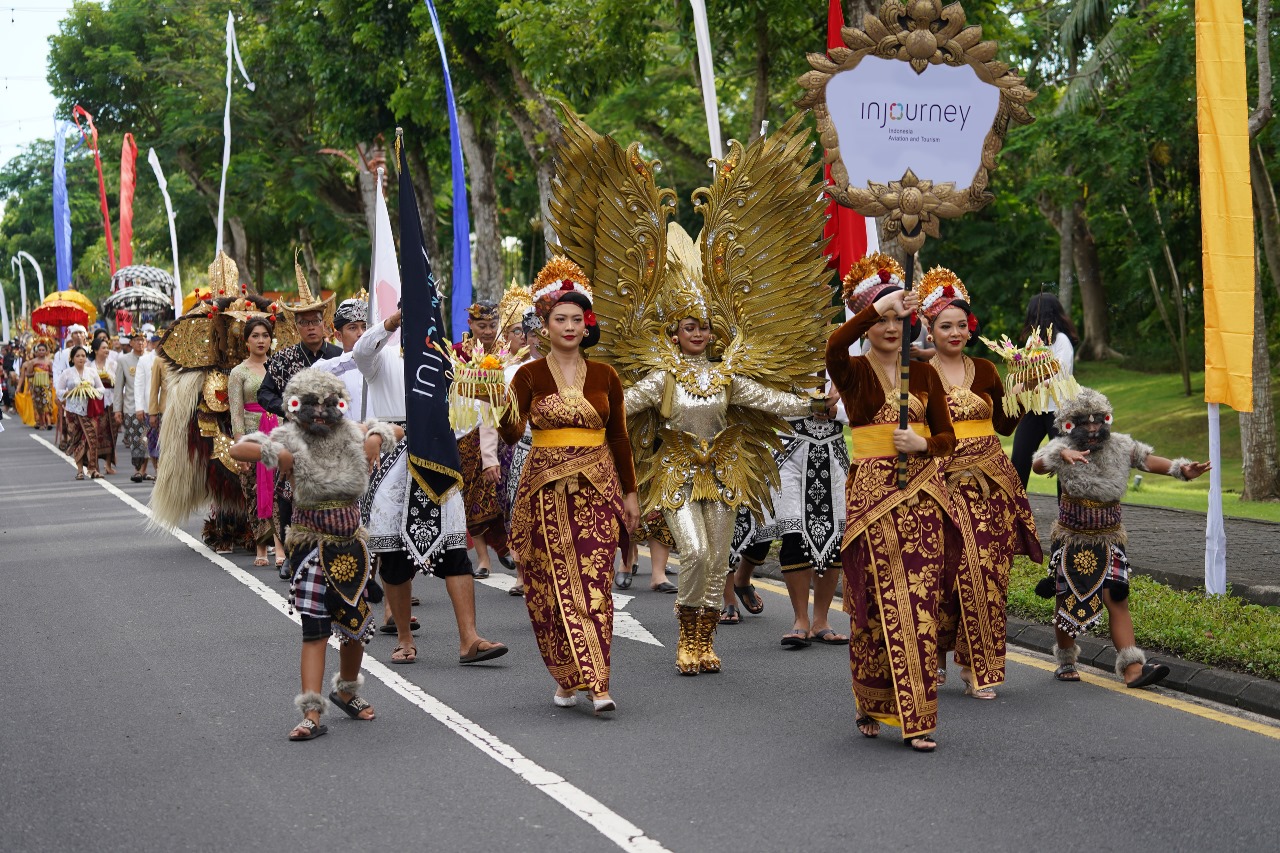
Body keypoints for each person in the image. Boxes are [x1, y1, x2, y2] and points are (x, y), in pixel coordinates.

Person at [622, 255, 817, 675]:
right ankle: (686, 635)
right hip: (677, 475)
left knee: (718, 559)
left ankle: (704, 641)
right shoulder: (663, 378)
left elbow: (773, 400)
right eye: (689, 327)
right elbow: (621, 406)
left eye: (704, 327)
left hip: (724, 476)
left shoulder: (725, 378)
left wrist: (817, 404)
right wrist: (579, 409)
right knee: (693, 551)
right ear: (673, 334)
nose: (698, 334)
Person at [826, 255, 958, 752]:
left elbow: (947, 437)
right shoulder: (853, 370)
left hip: (923, 498)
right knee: (873, 607)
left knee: (919, 604)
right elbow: (833, 344)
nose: (888, 328)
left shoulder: (922, 377)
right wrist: (874, 305)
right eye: (880, 320)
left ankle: (919, 717)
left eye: (896, 320)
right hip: (872, 500)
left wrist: (925, 447)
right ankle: (870, 697)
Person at [497, 262, 639, 713]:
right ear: (544, 323)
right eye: (561, 319)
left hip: (597, 488)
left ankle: (598, 683)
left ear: (587, 323)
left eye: (578, 319)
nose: (570, 327)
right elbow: (510, 433)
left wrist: (630, 493)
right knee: (550, 588)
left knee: (595, 583)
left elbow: (618, 436)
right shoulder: (527, 376)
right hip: (545, 493)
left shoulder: (606, 376)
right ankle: (565, 673)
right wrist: (493, 402)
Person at [231, 369, 399, 741]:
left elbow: (396, 431)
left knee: (355, 629)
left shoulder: (350, 432)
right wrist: (280, 454)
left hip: (353, 547)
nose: (320, 412)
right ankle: (311, 712)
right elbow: (237, 448)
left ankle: (346, 691)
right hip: (310, 549)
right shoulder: (288, 435)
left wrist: (374, 437)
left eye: (327, 404)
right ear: (295, 405)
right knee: (315, 630)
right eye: (311, 404)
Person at [353, 306, 508, 666]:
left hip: (437, 459)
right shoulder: (382, 357)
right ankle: (404, 639)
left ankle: (469, 639)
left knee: (455, 551)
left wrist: (438, 435)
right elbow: (361, 351)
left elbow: (467, 413)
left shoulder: (446, 363)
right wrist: (391, 323)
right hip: (390, 460)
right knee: (391, 553)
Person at [917, 267, 1042, 698]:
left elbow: (1006, 425)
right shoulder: (917, 374)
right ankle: (933, 656)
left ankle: (978, 667)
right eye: (944, 325)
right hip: (941, 485)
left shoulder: (987, 370)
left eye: (961, 325)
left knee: (987, 573)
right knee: (942, 575)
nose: (955, 332)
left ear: (971, 329)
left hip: (993, 486)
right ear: (928, 330)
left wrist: (1026, 390)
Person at [1033, 388, 1209, 687]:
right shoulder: (1060, 448)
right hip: (1072, 538)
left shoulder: (1121, 446)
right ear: (1068, 424)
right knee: (1066, 597)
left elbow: (1148, 460)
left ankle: (1132, 668)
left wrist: (1180, 469)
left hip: (1110, 538)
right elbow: (1038, 464)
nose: (1092, 428)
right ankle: (1065, 659)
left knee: (1117, 596)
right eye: (1084, 423)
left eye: (1098, 421)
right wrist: (1059, 453)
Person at [730, 376, 849, 647]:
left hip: (833, 450)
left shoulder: (847, 347)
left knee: (833, 535)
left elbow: (864, 407)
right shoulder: (782, 337)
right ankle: (800, 620)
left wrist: (835, 410)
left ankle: (821, 620)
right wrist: (805, 404)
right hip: (788, 448)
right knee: (794, 531)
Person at [257, 260, 341, 547]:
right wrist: (287, 408)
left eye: (315, 320)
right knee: (289, 495)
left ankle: (334, 544)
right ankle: (291, 549)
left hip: (332, 437)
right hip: (295, 436)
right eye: (304, 322)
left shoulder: (338, 357)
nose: (311, 327)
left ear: (324, 323)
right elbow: (263, 393)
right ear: (297, 326)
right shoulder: (282, 359)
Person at [454, 300, 513, 580]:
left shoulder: (508, 353)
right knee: (473, 496)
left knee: (502, 494)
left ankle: (505, 544)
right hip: (467, 433)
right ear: (470, 324)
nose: (488, 331)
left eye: (492, 325)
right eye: (482, 325)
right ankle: (483, 558)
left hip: (503, 433)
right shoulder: (457, 354)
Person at [229, 317, 287, 568]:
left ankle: (281, 546)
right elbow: (236, 412)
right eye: (255, 335)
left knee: (280, 492)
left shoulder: (280, 367)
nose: (261, 340)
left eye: (265, 335)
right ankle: (261, 547)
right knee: (254, 492)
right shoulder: (238, 372)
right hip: (253, 438)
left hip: (278, 435)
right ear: (246, 340)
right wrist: (240, 446)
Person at [1010, 293, 1078, 488]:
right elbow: (1028, 370)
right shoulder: (1033, 340)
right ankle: (1014, 508)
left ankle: (1066, 512)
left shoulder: (1061, 341)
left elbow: (1058, 376)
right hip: (1035, 407)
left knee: (1063, 460)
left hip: (1059, 408)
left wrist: (1029, 384)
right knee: (1020, 455)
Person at [55, 345, 106, 479]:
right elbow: (59, 392)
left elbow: (101, 389)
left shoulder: (92, 372)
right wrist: (69, 392)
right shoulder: (66, 373)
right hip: (73, 412)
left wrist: (91, 390)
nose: (81, 358)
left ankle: (92, 469)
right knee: (77, 440)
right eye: (77, 356)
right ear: (72, 358)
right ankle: (79, 470)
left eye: (83, 356)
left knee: (91, 439)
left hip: (89, 411)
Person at [313, 295, 370, 416]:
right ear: (338, 336)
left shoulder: (380, 361)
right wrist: (355, 358)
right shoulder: (330, 367)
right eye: (353, 327)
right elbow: (313, 373)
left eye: (365, 327)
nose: (361, 333)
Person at [114, 333, 150, 482]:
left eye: (142, 340)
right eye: (136, 340)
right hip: (131, 406)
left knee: (148, 439)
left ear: (146, 342)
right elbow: (119, 386)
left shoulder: (151, 359)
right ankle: (137, 469)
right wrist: (117, 409)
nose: (140, 343)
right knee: (136, 440)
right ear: (130, 343)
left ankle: (143, 470)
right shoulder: (124, 360)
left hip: (149, 405)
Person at [134, 334, 161, 477]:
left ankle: (163, 473)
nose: (160, 345)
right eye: (157, 343)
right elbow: (138, 385)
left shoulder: (171, 360)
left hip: (166, 407)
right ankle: (157, 471)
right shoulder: (144, 360)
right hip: (149, 407)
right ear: (152, 344)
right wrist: (139, 407)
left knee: (165, 442)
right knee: (152, 441)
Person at [91, 338, 118, 474]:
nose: (106, 350)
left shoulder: (113, 364)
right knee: (96, 433)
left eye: (107, 347)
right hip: (96, 401)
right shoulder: (90, 366)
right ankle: (94, 464)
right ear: (96, 350)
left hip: (111, 400)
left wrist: (108, 380)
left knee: (110, 433)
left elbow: (118, 383)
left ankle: (108, 464)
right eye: (103, 348)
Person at [21, 339, 56, 430]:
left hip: (46, 386)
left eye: (43, 350)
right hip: (36, 386)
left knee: (47, 404)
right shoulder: (33, 362)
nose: (41, 352)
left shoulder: (49, 362)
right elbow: (28, 374)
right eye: (39, 350)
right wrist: (36, 374)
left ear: (46, 351)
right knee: (39, 405)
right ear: (36, 351)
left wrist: (47, 374)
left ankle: (48, 422)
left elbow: (53, 374)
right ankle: (41, 423)